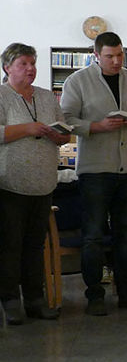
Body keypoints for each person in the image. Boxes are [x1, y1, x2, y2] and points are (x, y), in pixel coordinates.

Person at [60, 32, 127, 315]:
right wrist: (96, 126)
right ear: (96, 55)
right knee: (92, 234)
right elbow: (66, 120)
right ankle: (95, 296)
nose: (116, 61)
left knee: (126, 233)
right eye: (109, 57)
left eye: (120, 55)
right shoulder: (77, 81)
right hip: (95, 169)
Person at [0, 43, 70, 324]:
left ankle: (35, 299)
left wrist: (60, 135)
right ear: (7, 68)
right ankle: (9, 301)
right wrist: (29, 128)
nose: (31, 69)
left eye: (33, 63)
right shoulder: (2, 95)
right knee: (10, 245)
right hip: (10, 184)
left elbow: (64, 129)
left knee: (34, 246)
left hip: (43, 183)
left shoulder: (46, 97)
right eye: (23, 64)